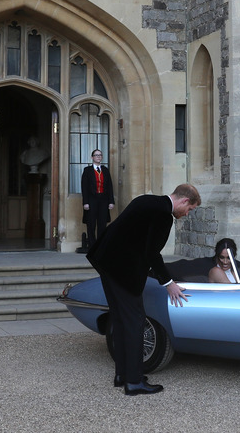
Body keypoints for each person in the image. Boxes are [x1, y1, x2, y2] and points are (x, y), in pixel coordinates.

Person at [86, 183, 201, 396]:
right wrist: (169, 283)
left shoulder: (145, 200)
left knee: (120, 321)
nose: (187, 214)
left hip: (106, 264)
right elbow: (152, 254)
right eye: (190, 209)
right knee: (134, 324)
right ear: (184, 201)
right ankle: (134, 382)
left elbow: (119, 230)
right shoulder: (163, 215)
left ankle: (122, 374)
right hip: (123, 272)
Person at [81, 150, 115, 247]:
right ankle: (92, 245)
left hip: (103, 200)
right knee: (91, 224)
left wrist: (111, 201)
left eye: (100, 155)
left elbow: (109, 186)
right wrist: (85, 202)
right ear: (92, 157)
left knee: (102, 223)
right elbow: (84, 187)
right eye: (96, 155)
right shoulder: (87, 170)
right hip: (92, 200)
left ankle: (101, 245)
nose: (98, 157)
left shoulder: (105, 170)